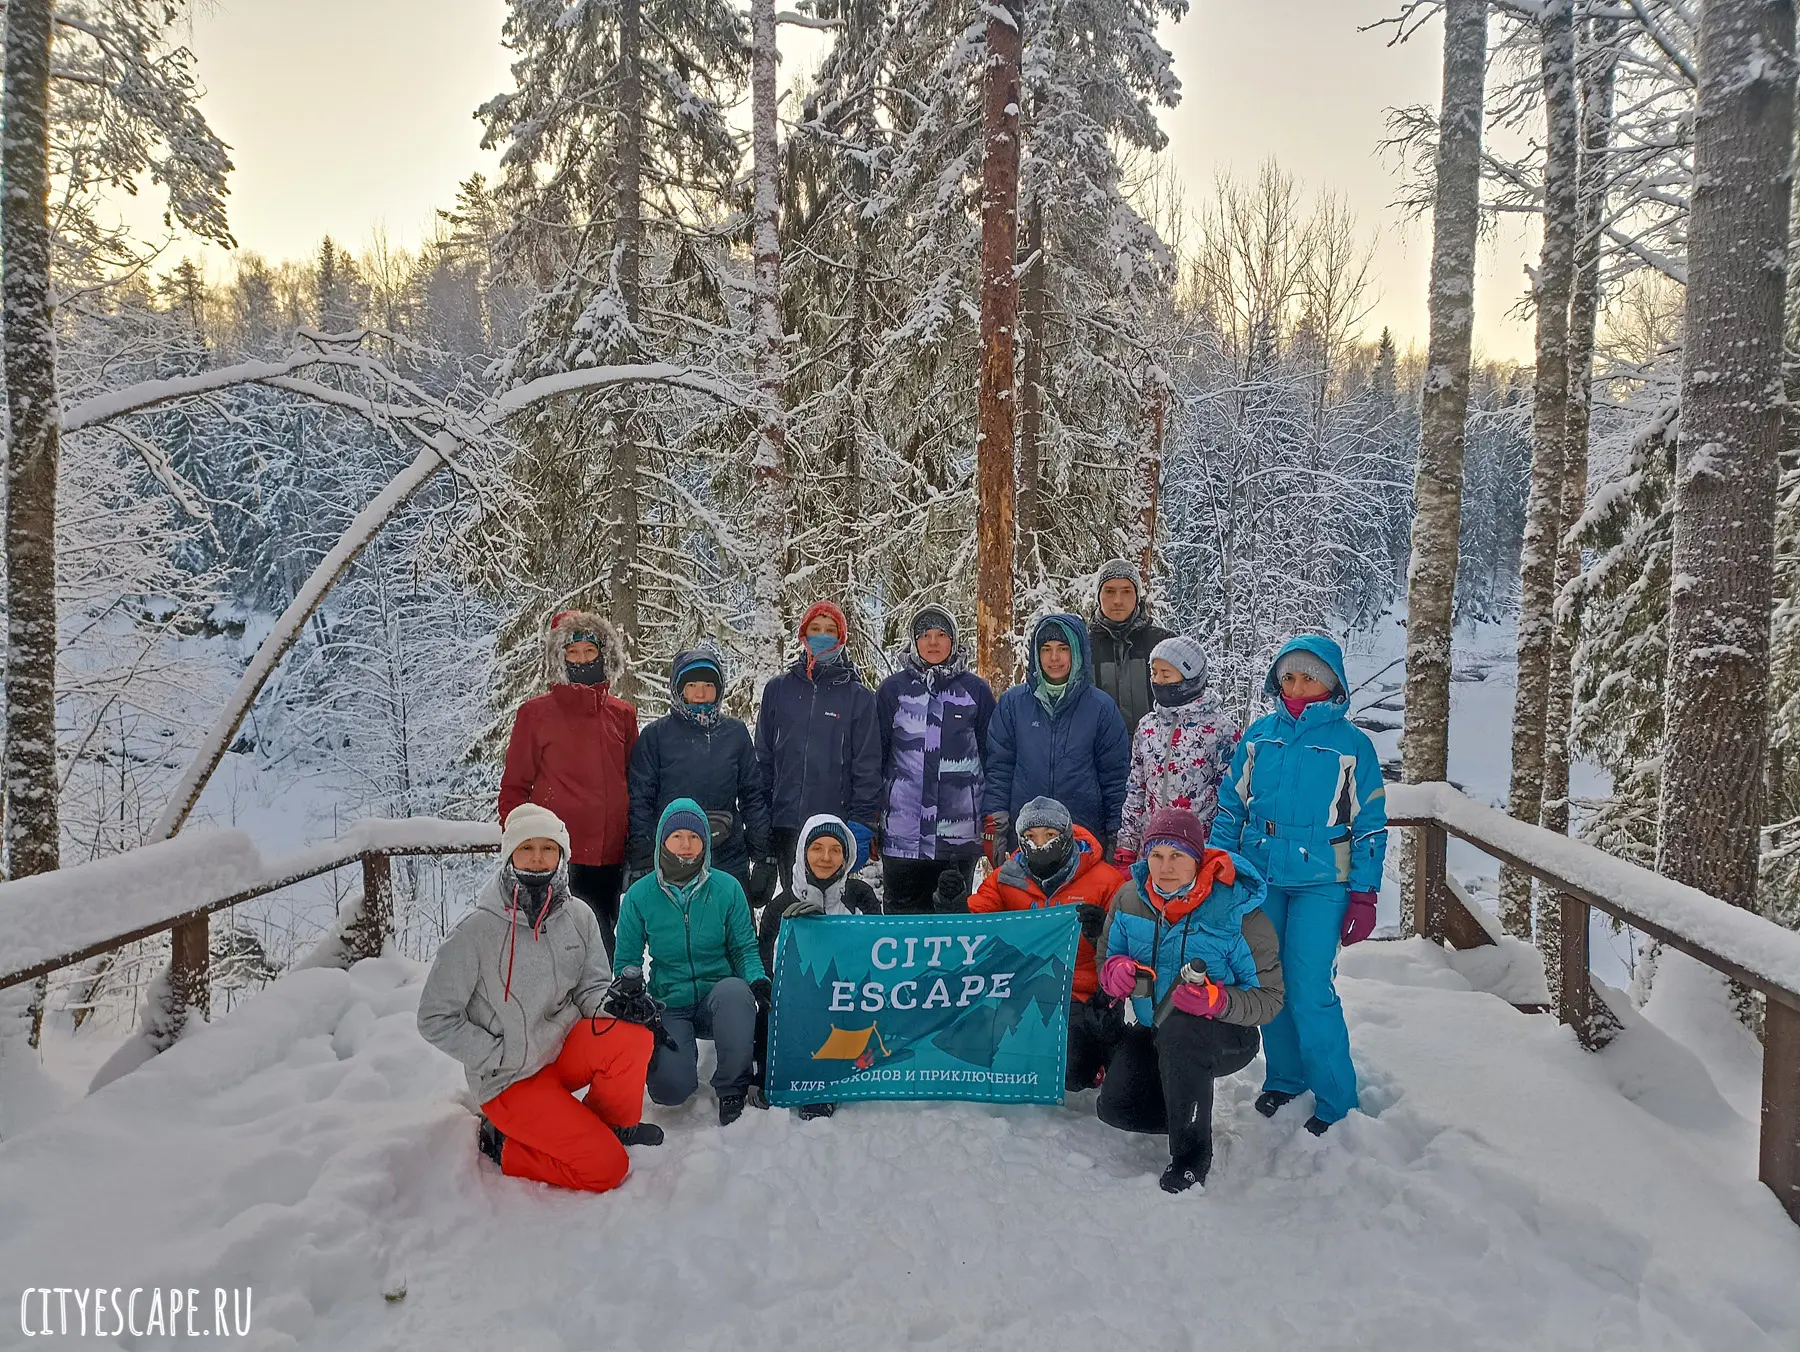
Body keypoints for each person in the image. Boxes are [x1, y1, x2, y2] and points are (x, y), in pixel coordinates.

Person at [416, 803, 662, 1194]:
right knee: (608, 1169)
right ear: (509, 853)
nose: (536, 857)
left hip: (558, 1051)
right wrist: (494, 1054)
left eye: (547, 847)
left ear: (562, 854)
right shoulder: (476, 932)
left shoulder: (579, 916)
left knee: (634, 1037)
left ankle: (608, 1127)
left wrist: (617, 1007)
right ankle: (506, 1146)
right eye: (526, 847)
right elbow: (433, 1017)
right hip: (510, 1077)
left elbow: (591, 988)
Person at [1208, 634, 1387, 1136]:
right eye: (1289, 676)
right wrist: (1223, 867)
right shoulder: (1260, 736)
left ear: (1331, 684)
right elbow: (1230, 808)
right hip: (1262, 877)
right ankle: (1284, 1077)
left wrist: (1364, 892)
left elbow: (1370, 823)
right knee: (1269, 981)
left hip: (1322, 882)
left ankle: (1336, 1098)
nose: (1297, 686)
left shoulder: (1353, 745)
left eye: (1309, 676)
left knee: (1310, 987)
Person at [1095, 807, 1284, 1193]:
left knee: (1183, 1031)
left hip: (1226, 1034)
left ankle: (1190, 1160)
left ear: (1198, 859)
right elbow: (1105, 959)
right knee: (1115, 1107)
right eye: (1157, 855)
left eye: (1178, 856)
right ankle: (1187, 1108)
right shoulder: (1129, 899)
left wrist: (1218, 1001)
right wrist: (1114, 974)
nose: (1165, 867)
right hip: (1155, 1030)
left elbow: (1270, 998)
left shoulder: (1235, 910)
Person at [614, 799, 770, 1125]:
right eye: (677, 836)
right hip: (670, 1001)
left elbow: (744, 947)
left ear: (706, 843)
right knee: (669, 1091)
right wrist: (633, 997)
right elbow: (626, 960)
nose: (686, 845)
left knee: (736, 993)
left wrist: (756, 981)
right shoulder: (640, 896)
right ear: (662, 841)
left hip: (719, 996)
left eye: (695, 837)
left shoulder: (727, 889)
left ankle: (732, 1087)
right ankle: (680, 1061)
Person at [500, 610, 638, 961]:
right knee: (554, 948)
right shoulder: (535, 714)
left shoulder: (622, 715)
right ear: (558, 658)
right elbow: (515, 788)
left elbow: (634, 781)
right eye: (572, 653)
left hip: (610, 857)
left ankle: (598, 1012)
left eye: (589, 652)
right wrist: (522, 844)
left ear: (603, 655)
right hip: (555, 857)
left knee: (602, 945)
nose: (581, 659)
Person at [967, 797, 1124, 1091]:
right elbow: (975, 924)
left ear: (1065, 837)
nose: (1040, 845)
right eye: (1030, 837)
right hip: (1019, 988)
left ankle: (1099, 1053)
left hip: (1080, 993)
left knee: (1070, 1074)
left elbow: (1129, 948)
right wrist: (951, 906)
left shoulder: (1105, 880)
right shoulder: (1007, 878)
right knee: (982, 1051)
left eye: (1049, 837)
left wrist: (1103, 933)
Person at [754, 600, 883, 898]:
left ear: (841, 638)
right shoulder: (778, 690)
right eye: (815, 629)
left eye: (830, 630)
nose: (822, 635)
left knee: (833, 909)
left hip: (834, 829)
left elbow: (868, 766)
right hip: (786, 824)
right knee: (794, 906)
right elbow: (763, 759)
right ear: (803, 634)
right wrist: (761, 821)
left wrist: (862, 824)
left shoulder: (858, 697)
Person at [757, 814, 880, 1120]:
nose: (826, 857)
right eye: (817, 848)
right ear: (803, 852)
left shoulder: (860, 896)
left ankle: (823, 1085)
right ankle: (777, 1075)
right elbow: (764, 961)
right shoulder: (782, 904)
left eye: (835, 850)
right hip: (797, 1008)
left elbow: (880, 950)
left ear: (847, 855)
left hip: (849, 1001)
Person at [875, 605, 996, 914]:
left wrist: (991, 820)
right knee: (902, 931)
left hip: (957, 837)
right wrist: (873, 818)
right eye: (925, 635)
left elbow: (991, 758)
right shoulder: (892, 690)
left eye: (941, 635)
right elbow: (877, 757)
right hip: (902, 835)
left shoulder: (976, 691)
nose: (932, 642)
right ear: (913, 641)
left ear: (953, 640)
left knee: (950, 928)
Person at [982, 613, 1130, 861]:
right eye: (1046, 649)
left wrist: (1118, 835)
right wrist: (995, 826)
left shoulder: (1101, 708)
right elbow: (999, 770)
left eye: (1063, 648)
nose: (1054, 658)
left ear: (1077, 653)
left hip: (1084, 841)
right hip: (1026, 840)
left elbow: (1115, 779)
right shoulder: (1013, 704)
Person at [627, 644, 770, 895]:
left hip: (727, 855)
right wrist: (641, 857)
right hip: (671, 856)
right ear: (679, 689)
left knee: (733, 928)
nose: (700, 694)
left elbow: (752, 795)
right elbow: (641, 799)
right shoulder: (656, 736)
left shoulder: (734, 733)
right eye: (692, 686)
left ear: (719, 690)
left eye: (708, 686)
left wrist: (763, 855)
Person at [1115, 636, 1240, 865]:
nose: (1158, 681)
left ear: (1190, 677)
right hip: (1151, 851)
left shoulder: (1220, 731)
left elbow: (1230, 801)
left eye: (1166, 674)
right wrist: (1127, 844)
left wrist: (1220, 851)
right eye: (1154, 673)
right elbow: (1136, 790)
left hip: (1198, 851)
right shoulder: (1147, 727)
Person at [1089, 559, 1175, 735]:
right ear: (1099, 596)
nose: (1118, 600)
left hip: (1155, 756)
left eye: (1126, 591)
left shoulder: (1164, 644)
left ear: (1137, 595)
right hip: (1099, 758)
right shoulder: (1083, 647)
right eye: (1110, 591)